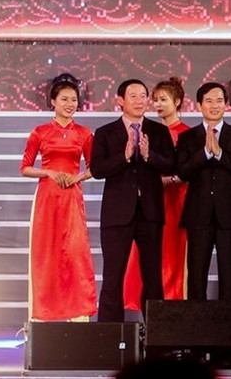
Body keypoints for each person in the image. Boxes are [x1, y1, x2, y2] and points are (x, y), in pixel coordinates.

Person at [91, 79, 177, 322]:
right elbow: (97, 169)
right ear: (120, 100)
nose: (140, 101)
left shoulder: (158, 131)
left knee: (152, 276)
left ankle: (156, 330)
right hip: (117, 214)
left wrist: (149, 156)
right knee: (113, 276)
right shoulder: (105, 132)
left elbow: (172, 164)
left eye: (143, 96)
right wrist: (125, 155)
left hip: (150, 212)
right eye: (133, 96)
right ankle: (109, 333)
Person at [20, 79, 97, 321]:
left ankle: (78, 313)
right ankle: (44, 314)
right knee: (47, 253)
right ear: (53, 102)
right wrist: (49, 173)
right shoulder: (40, 132)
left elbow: (94, 167)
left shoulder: (84, 133)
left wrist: (77, 177)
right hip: (47, 196)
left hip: (72, 197)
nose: (70, 104)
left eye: (74, 100)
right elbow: (25, 168)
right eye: (64, 99)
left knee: (75, 252)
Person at [177, 82, 231, 300]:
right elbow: (183, 172)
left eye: (219, 101)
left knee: (229, 275)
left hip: (230, 215)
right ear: (199, 105)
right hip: (198, 215)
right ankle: (196, 319)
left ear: (225, 105)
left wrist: (220, 153)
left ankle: (228, 321)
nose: (214, 105)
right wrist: (204, 153)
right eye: (209, 101)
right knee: (196, 275)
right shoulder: (187, 138)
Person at [123, 78, 191, 313]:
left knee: (172, 254)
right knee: (148, 256)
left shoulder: (186, 134)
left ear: (178, 101)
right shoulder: (147, 130)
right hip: (150, 201)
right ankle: (149, 309)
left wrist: (167, 180)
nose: (158, 105)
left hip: (176, 201)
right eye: (155, 100)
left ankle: (172, 305)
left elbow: (187, 171)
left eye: (164, 100)